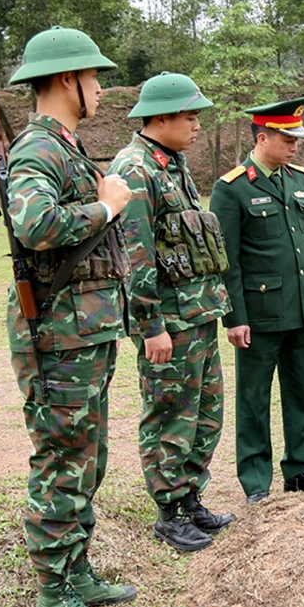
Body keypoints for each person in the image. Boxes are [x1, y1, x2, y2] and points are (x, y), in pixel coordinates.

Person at [6, 26, 136, 607]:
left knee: (87, 455)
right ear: (68, 81)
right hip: (59, 335)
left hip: (84, 332)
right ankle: (53, 593)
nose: (102, 89)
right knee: (63, 458)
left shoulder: (67, 147)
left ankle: (76, 570)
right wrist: (106, 205)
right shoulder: (40, 148)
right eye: (95, 78)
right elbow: (34, 224)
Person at [109, 72, 237, 553]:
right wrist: (151, 327)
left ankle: (189, 499)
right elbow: (135, 255)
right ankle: (168, 512)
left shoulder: (172, 163)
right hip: (169, 324)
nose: (197, 125)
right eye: (190, 116)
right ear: (159, 117)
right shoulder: (136, 169)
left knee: (204, 414)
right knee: (169, 415)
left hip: (198, 314)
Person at [209, 96, 304, 505]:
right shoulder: (231, 189)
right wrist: (234, 318)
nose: (295, 145)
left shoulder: (298, 179)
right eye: (287, 138)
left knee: (302, 394)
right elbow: (226, 261)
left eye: (296, 137)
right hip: (259, 316)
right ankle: (256, 481)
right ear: (263, 138)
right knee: (253, 400)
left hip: (300, 310)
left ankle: (301, 470)